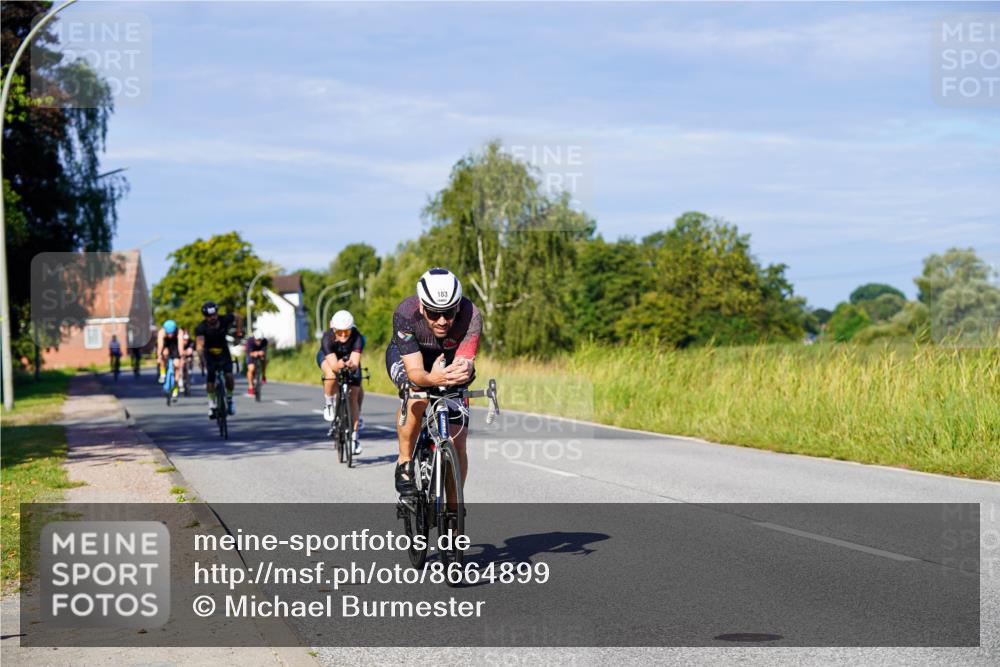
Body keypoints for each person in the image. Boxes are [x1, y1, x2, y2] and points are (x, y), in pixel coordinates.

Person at [387, 268, 481, 497]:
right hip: (411, 359)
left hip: (448, 362)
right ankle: (405, 462)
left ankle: (454, 509)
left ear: (457, 307)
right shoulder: (405, 313)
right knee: (416, 393)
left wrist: (464, 368)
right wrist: (431, 379)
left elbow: (465, 361)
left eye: (448, 313)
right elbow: (415, 372)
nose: (441, 321)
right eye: (433, 313)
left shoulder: (471, 315)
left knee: (458, 443)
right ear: (422, 307)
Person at [318, 310, 365, 455]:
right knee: (331, 375)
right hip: (329, 358)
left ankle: (354, 437)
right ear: (334, 329)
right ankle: (329, 402)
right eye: (339, 332)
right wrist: (338, 365)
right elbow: (334, 366)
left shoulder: (357, 337)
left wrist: (351, 365)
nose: (343, 335)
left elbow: (355, 362)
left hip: (348, 358)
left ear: (352, 329)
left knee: (355, 393)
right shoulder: (327, 338)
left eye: (347, 331)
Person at [195, 301, 242, 418]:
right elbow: (200, 346)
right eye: (209, 316)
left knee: (229, 376)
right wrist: (201, 360)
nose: (213, 317)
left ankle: (230, 399)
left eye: (214, 314)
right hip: (209, 353)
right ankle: (211, 404)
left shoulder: (224, 319)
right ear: (205, 316)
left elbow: (238, 317)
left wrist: (238, 334)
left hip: (223, 352)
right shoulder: (201, 328)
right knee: (210, 377)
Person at [156, 319, 184, 397]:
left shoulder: (179, 332)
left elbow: (180, 347)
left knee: (176, 365)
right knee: (164, 353)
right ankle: (163, 373)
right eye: (168, 333)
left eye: (172, 333)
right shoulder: (161, 332)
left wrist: (181, 357)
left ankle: (175, 387)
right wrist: (159, 356)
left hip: (175, 346)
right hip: (166, 345)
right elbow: (160, 346)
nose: (170, 335)